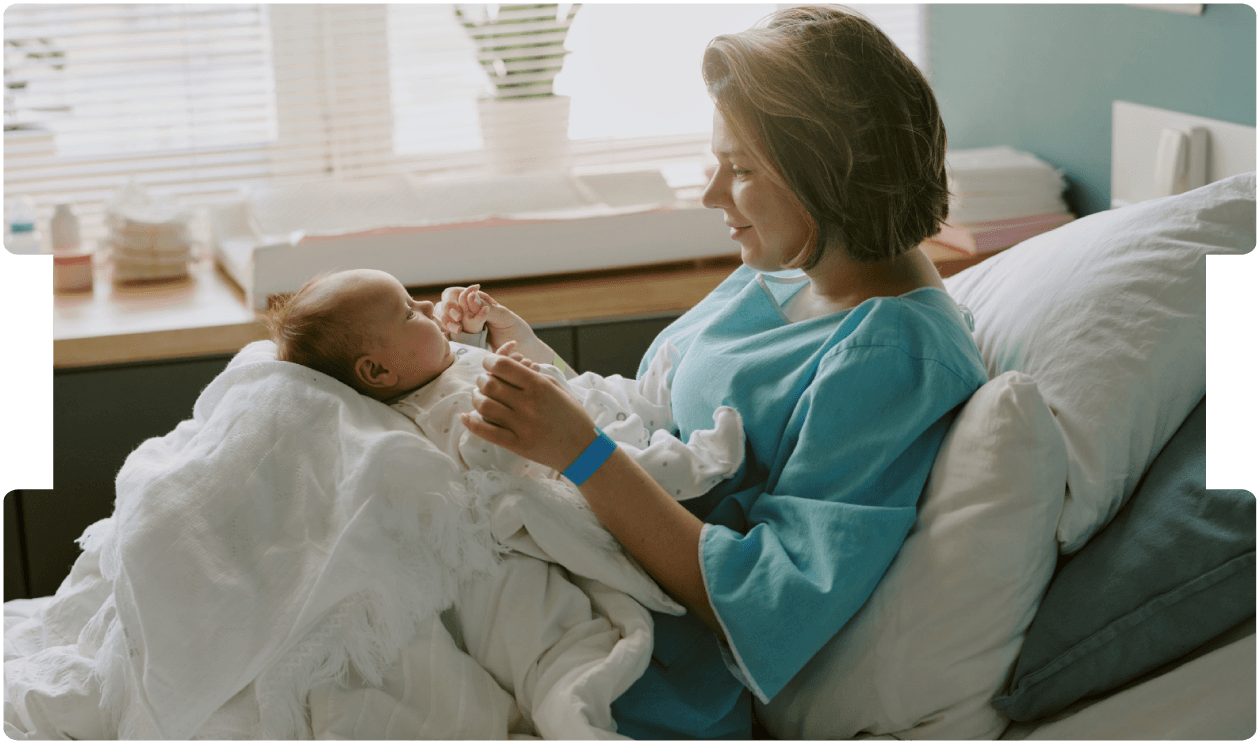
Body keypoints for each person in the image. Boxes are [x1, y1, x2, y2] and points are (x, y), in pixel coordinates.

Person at [448, 4, 990, 739]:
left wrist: (579, 453)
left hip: (638, 657)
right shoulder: (790, 269)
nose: (711, 196)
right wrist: (530, 364)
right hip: (572, 564)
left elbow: (768, 600)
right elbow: (653, 424)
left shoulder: (892, 358)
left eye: (739, 170)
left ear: (831, 174)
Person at [263, 268, 744, 498]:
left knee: (620, 392)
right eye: (410, 311)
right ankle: (698, 464)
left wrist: (475, 334)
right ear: (378, 373)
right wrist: (507, 394)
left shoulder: (430, 369)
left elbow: (467, 364)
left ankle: (660, 396)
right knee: (635, 462)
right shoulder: (435, 414)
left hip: (586, 403)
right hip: (588, 459)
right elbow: (485, 453)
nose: (429, 307)